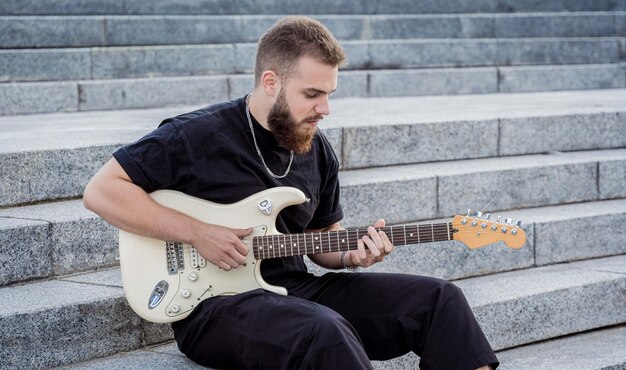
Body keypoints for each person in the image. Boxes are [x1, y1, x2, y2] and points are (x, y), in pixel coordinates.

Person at [83, 16, 498, 370]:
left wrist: (353, 255)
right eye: (312, 94)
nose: (325, 109)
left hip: (293, 289)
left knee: (440, 300)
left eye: (329, 94)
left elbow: (324, 244)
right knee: (323, 330)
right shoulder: (195, 135)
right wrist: (197, 233)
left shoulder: (316, 149)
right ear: (270, 81)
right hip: (212, 307)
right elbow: (102, 191)